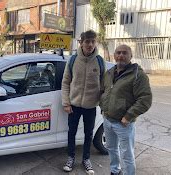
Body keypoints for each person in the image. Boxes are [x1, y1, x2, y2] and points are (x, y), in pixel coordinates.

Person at [100, 44, 152, 175]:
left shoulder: (138, 75)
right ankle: (115, 171)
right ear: (114, 55)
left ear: (131, 56)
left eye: (124, 53)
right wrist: (103, 107)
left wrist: (128, 116)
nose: (121, 56)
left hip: (123, 123)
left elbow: (145, 99)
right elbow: (104, 91)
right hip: (107, 119)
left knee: (126, 154)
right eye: (118, 53)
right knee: (111, 148)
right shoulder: (110, 73)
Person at [61, 30, 105, 175]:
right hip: (74, 105)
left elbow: (104, 85)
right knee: (71, 132)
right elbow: (66, 82)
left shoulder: (99, 61)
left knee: (88, 134)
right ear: (81, 42)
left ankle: (86, 159)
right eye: (87, 41)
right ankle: (71, 157)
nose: (90, 45)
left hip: (91, 106)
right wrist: (66, 103)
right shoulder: (73, 60)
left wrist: (103, 104)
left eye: (93, 41)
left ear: (95, 43)